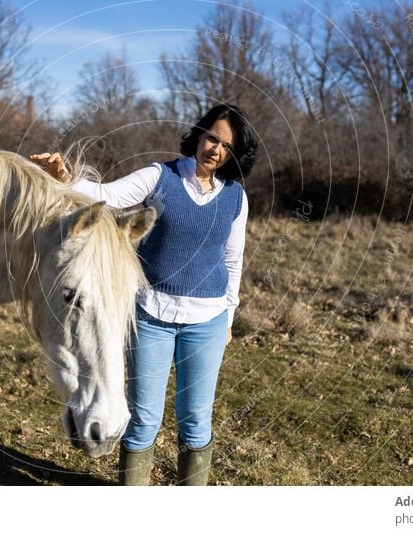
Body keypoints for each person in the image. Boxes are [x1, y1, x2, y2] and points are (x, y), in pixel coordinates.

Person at [31, 103, 258, 485]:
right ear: (200, 135)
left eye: (226, 147)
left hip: (208, 322)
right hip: (151, 317)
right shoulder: (161, 177)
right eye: (212, 138)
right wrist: (63, 177)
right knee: (143, 419)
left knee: (196, 421)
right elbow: (105, 195)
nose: (215, 149)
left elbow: (233, 260)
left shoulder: (236, 197)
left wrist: (229, 317)